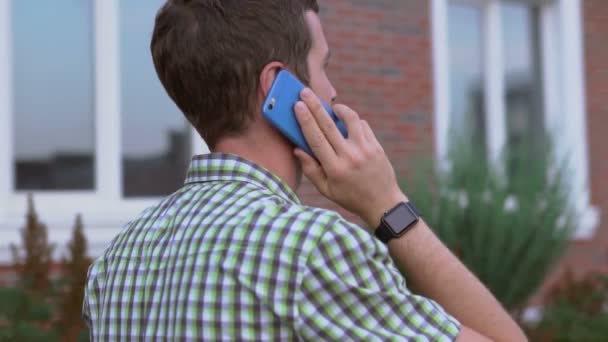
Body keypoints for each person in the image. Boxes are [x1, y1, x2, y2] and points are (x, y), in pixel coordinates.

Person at [83, 0, 527, 341]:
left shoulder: (117, 260)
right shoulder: (313, 249)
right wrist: (389, 206)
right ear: (277, 85)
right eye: (323, 68)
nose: (332, 93)